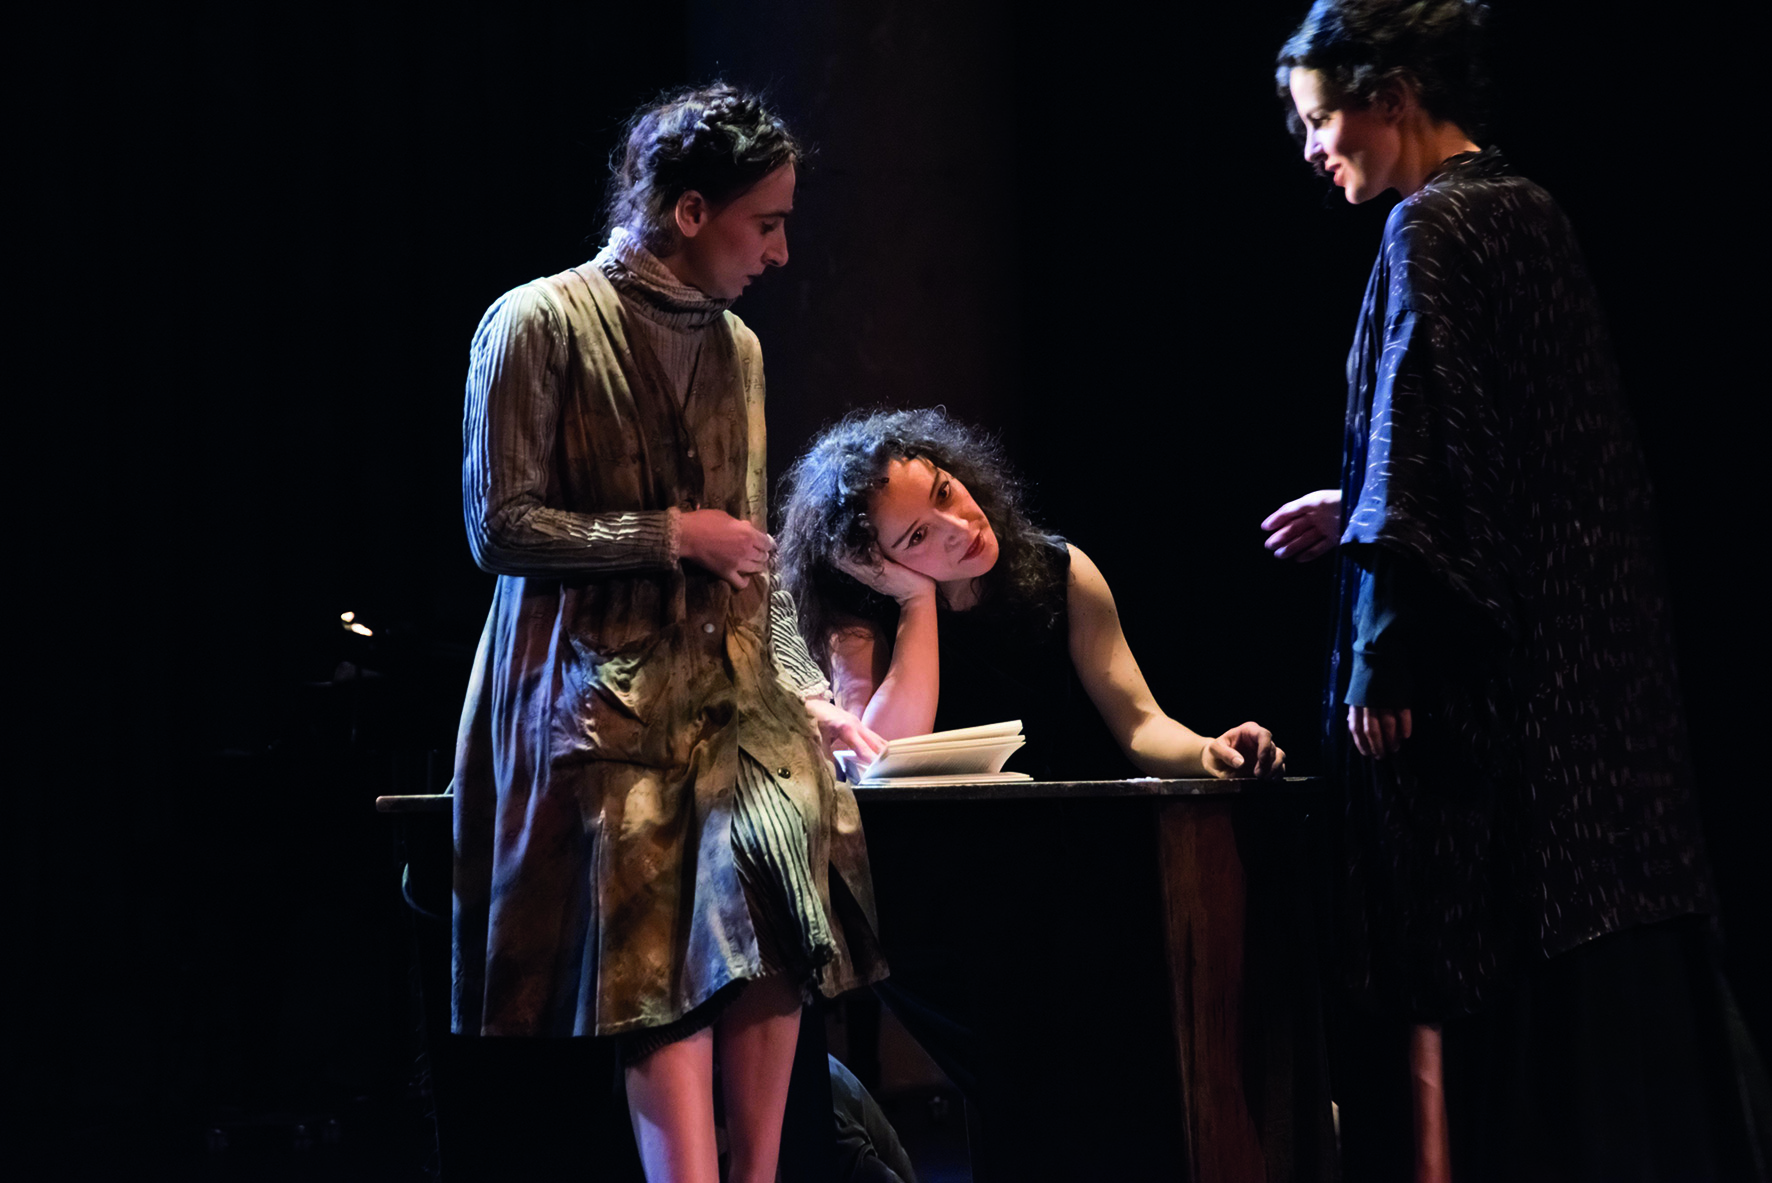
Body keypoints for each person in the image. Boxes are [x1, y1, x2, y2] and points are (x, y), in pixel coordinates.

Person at [1262, 3, 1764, 1179]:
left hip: (1503, 699)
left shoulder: (1428, 228)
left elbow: (1422, 438)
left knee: (1500, 949)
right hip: (1588, 685)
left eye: (1322, 120)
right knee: (1605, 934)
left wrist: (1382, 652)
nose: (1313, 149)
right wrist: (1358, 502)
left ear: (1391, 98)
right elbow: (1510, 452)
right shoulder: (1525, 207)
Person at [450, 84, 888, 1183]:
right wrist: (667, 534)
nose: (780, 253)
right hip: (594, 693)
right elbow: (499, 525)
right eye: (765, 223)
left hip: (726, 692)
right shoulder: (538, 322)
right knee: (661, 946)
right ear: (690, 212)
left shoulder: (738, 348)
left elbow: (751, 549)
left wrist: (801, 686)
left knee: (782, 886)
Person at [778, 406, 1285, 780]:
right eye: (917, 536)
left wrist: (1208, 752)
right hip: (929, 854)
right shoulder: (858, 616)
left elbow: (1139, 723)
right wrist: (915, 600)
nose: (960, 527)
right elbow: (881, 758)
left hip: (1055, 837)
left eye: (944, 492)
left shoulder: (1063, 571)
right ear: (873, 564)